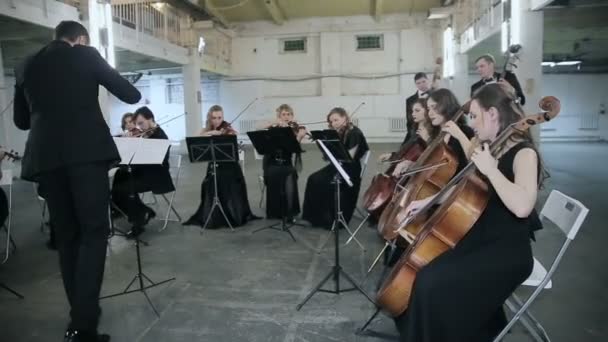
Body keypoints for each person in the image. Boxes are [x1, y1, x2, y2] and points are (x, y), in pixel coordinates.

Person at [13, 21, 141, 342]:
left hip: (45, 159)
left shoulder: (26, 63)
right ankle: (83, 324)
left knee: (67, 238)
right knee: (94, 234)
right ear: (80, 39)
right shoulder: (85, 54)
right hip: (85, 156)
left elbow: (21, 120)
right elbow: (130, 94)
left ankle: (79, 320)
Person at [394, 83, 544, 341]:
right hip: (479, 237)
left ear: (493, 114)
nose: (471, 124)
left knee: (431, 283)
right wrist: (429, 201)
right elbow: (466, 189)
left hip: (506, 251)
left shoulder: (524, 153)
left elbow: (522, 207)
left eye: (474, 116)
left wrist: (491, 169)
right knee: (424, 274)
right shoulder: (492, 146)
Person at [183, 105, 258, 229]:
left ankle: (231, 214)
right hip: (214, 166)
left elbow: (236, 142)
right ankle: (215, 214)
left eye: (220, 117)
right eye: (214, 118)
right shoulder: (206, 129)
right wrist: (210, 133)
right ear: (210, 118)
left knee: (227, 182)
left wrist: (229, 135)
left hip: (230, 167)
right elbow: (194, 139)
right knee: (209, 183)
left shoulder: (227, 129)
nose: (217, 121)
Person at [111, 106, 174, 237]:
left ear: (150, 119)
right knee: (118, 179)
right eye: (137, 124)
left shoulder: (160, 136)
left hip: (156, 176)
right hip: (143, 172)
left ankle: (138, 220)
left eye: (141, 123)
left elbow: (153, 161)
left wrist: (138, 144)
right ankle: (143, 211)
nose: (139, 127)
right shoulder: (145, 134)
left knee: (126, 188)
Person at [302, 107, 369, 228]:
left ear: (345, 118)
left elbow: (350, 157)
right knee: (313, 179)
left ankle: (329, 219)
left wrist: (334, 147)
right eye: (331, 121)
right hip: (338, 165)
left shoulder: (355, 133)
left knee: (326, 183)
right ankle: (313, 217)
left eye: (336, 120)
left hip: (350, 169)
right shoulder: (339, 132)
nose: (333, 123)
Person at [263, 104, 307, 220]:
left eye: (289, 114)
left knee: (290, 174)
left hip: (287, 163)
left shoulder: (294, 129)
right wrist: (274, 124)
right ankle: (274, 212)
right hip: (271, 163)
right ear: (279, 116)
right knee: (273, 173)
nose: (286, 117)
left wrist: (299, 137)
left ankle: (289, 211)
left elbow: (293, 149)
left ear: (292, 116)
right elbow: (259, 127)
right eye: (283, 114)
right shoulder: (273, 128)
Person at [378, 97, 436, 178]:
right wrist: (391, 155)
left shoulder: (432, 132)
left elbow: (433, 155)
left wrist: (427, 139)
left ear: (427, 111)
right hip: (401, 170)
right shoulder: (414, 130)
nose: (413, 114)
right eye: (412, 111)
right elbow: (406, 152)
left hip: (412, 174)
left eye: (417, 110)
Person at [404, 73, 432, 141]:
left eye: (423, 81)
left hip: (432, 130)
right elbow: (409, 119)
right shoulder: (409, 100)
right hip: (415, 131)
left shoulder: (436, 96)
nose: (422, 85)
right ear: (415, 84)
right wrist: (411, 133)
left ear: (428, 80)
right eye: (418, 83)